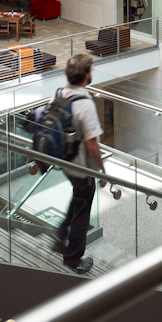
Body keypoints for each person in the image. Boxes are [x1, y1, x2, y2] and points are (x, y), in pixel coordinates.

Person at [55, 54, 106, 274]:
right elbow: (92, 143)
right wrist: (102, 171)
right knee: (83, 212)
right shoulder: (85, 103)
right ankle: (73, 258)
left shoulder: (60, 94)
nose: (92, 72)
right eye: (92, 69)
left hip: (64, 161)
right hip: (82, 167)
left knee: (78, 198)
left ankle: (60, 236)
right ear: (86, 75)